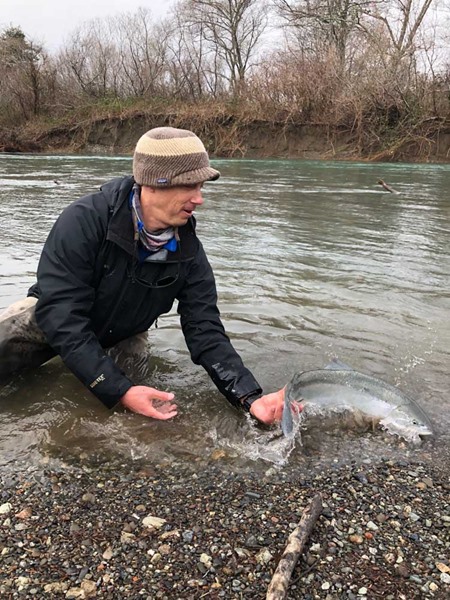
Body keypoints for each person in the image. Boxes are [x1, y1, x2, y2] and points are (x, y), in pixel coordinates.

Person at [0, 127, 286, 424]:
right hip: (51, 320)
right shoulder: (83, 220)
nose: (199, 198)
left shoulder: (188, 249)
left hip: (124, 335)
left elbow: (206, 331)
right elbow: (62, 317)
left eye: (201, 187)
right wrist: (117, 388)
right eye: (189, 186)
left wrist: (249, 398)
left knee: (127, 417)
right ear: (153, 183)